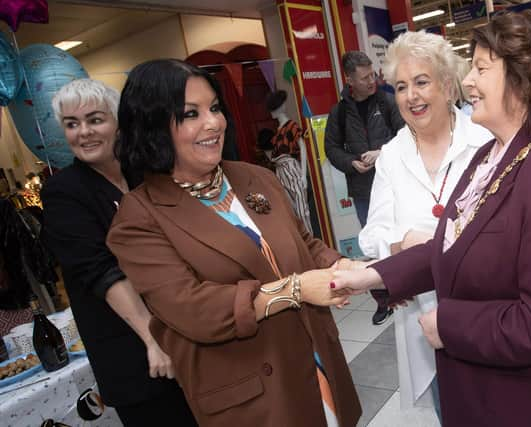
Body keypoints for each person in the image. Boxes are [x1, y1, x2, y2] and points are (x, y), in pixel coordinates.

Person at [332, 10, 531, 427]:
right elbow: (455, 243)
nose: (467, 82)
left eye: (481, 69)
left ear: (523, 78)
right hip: (494, 390)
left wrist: (449, 324)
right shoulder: (495, 155)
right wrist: (371, 276)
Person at [106, 59, 361, 427]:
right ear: (153, 127)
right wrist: (296, 289)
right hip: (254, 397)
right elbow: (194, 309)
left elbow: (301, 241)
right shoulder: (138, 218)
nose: (213, 122)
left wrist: (341, 265)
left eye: (213, 108)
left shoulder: (254, 177)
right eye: (190, 114)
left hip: (316, 365)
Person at [41, 79, 197, 426]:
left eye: (95, 120)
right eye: (71, 124)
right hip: (135, 352)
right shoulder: (63, 192)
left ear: (117, 122)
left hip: (184, 336)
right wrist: (152, 337)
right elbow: (103, 273)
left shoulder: (143, 174)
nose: (83, 132)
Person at [358, 31, 493, 419]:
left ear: (448, 86)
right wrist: (400, 244)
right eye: (401, 86)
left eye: (421, 82)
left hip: (484, 310)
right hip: (423, 315)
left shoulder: (485, 142)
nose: (411, 96)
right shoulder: (392, 156)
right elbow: (373, 235)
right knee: (448, 408)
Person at [325, 50, 404, 325]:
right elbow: (331, 148)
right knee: (373, 246)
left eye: (372, 74)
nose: (372, 81)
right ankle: (384, 300)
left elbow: (408, 134)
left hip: (397, 185)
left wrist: (381, 153)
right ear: (350, 80)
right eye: (365, 77)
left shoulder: (388, 101)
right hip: (363, 191)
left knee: (400, 240)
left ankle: (407, 288)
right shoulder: (340, 113)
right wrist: (351, 163)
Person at [263, 90, 313, 232]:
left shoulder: (291, 125)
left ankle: (312, 245)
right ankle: (304, 245)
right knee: (292, 211)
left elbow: (302, 147)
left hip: (291, 167)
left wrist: (303, 175)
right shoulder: (278, 131)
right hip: (281, 171)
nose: (272, 113)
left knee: (303, 210)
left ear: (280, 108)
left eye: (274, 109)